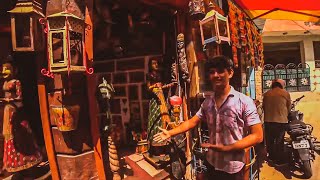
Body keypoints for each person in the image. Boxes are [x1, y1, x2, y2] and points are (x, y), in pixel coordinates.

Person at [154, 55, 263, 180]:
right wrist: (170, 132)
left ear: (230, 73)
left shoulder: (244, 101)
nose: (216, 75)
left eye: (221, 71)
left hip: (233, 167)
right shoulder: (208, 102)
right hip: (211, 162)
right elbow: (193, 122)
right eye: (212, 72)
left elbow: (258, 136)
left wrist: (228, 148)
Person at [1, 57, 42, 174]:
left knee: (21, 136)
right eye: (3, 68)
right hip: (8, 111)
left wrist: (9, 100)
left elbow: (19, 98)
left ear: (15, 70)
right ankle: (13, 164)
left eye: (7, 69)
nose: (4, 71)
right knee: (9, 136)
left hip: (16, 111)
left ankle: (27, 162)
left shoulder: (16, 82)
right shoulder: (5, 82)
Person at [262, 79, 291, 166]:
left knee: (270, 140)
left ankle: (271, 157)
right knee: (279, 140)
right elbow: (289, 107)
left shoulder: (266, 94)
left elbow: (263, 106)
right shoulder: (285, 93)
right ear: (281, 85)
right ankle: (279, 160)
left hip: (268, 121)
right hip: (281, 121)